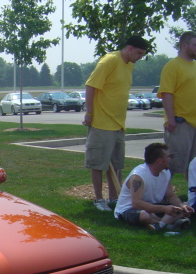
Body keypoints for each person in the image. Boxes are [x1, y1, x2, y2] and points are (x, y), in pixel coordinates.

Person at [83, 35, 149, 212]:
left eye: (142, 55)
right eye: (139, 53)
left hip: (119, 124)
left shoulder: (129, 66)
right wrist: (89, 113)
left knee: (117, 165)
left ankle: (114, 198)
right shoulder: (109, 60)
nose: (140, 57)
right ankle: (99, 199)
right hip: (101, 123)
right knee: (98, 163)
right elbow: (91, 86)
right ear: (129, 48)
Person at [114, 142, 193, 231]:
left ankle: (159, 225)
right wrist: (164, 209)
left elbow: (171, 196)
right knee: (144, 215)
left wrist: (181, 206)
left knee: (181, 208)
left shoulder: (165, 172)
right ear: (159, 161)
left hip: (152, 207)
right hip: (129, 209)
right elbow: (136, 203)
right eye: (168, 156)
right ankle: (168, 222)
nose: (170, 159)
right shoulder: (138, 176)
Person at [157, 31, 196, 179]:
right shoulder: (172, 66)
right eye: (195, 45)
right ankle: (164, 191)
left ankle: (192, 192)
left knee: (193, 166)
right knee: (172, 164)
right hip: (181, 123)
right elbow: (167, 93)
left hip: (194, 123)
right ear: (184, 45)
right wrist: (171, 119)